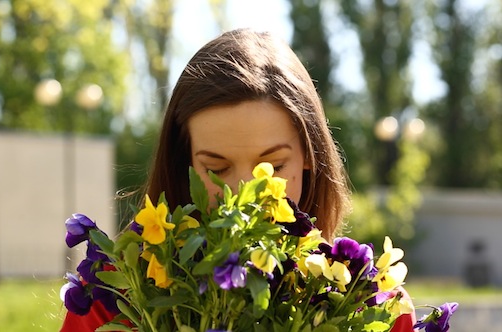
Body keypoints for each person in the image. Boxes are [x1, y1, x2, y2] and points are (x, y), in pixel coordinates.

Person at [61, 28, 416, 331]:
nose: (245, 197)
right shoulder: (116, 292)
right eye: (216, 169)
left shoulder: (372, 305)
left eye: (274, 166)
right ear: (184, 162)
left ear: (310, 154)